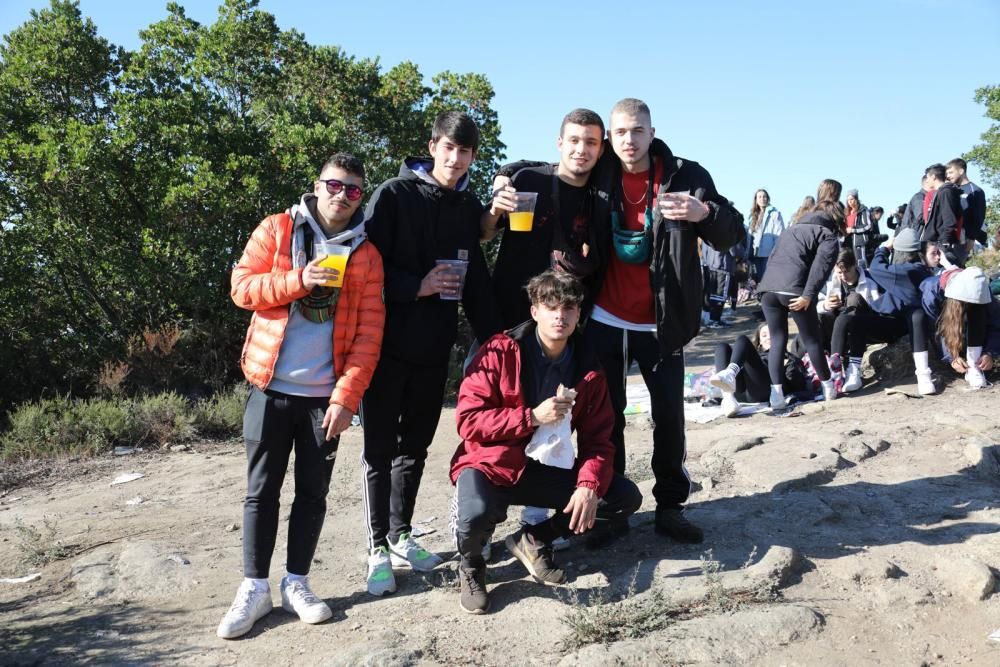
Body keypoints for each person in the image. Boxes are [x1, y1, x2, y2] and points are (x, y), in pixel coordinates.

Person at [219, 153, 385, 639]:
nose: (343, 197)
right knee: (260, 492)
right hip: (269, 387)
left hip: (323, 400)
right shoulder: (276, 229)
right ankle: (254, 588)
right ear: (317, 186)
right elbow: (241, 288)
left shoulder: (366, 254)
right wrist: (299, 280)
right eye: (335, 186)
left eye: (354, 190)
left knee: (313, 495)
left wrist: (346, 399)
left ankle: (296, 583)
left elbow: (369, 335)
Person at [585, 98, 745, 543]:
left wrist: (704, 213)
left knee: (670, 418)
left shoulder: (686, 175)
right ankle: (612, 509)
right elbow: (550, 171)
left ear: (652, 132)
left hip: (663, 322)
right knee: (605, 419)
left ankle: (671, 507)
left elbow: (732, 232)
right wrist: (509, 174)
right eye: (620, 132)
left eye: (637, 131)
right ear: (609, 137)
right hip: (604, 319)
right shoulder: (599, 173)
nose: (629, 140)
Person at [360, 111, 502, 596]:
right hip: (382, 345)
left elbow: (476, 282)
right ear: (433, 146)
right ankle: (376, 547)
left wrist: (498, 339)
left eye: (465, 153)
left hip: (432, 347)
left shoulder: (465, 208)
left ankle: (401, 536)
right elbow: (364, 270)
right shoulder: (392, 195)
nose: (456, 160)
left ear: (472, 157)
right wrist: (415, 286)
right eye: (449, 149)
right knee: (378, 451)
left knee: (414, 448)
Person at [450, 270, 642, 614]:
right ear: (534, 310)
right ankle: (471, 565)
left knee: (621, 498)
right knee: (474, 516)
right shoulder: (499, 351)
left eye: (569, 307)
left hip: (542, 468)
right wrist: (532, 417)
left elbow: (599, 440)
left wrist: (588, 485)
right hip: (490, 465)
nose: (560, 315)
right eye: (550, 306)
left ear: (578, 313)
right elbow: (467, 421)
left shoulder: (588, 366)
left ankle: (535, 539)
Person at [483, 108, 609, 328]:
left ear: (601, 150)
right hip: (510, 317)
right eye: (574, 140)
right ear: (560, 143)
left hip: (565, 325)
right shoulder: (528, 180)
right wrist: (495, 210)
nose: (581, 149)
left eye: (590, 142)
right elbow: (484, 233)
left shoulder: (603, 195)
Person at [756, 182, 844, 408]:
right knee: (812, 340)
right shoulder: (827, 235)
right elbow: (820, 269)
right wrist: (808, 295)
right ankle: (828, 387)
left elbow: (773, 258)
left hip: (768, 289)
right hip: (794, 291)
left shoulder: (791, 229)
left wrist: (765, 288)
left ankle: (776, 396)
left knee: (777, 341)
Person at [867, 228, 935, 393]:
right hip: (924, 319)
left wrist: (885, 248)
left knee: (915, 315)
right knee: (916, 315)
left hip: (903, 321)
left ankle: (923, 377)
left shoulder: (904, 271)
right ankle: (924, 377)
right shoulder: (921, 269)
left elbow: (876, 268)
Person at [815, 248, 882, 390]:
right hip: (837, 326)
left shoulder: (871, 279)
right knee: (818, 318)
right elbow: (816, 307)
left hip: (864, 322)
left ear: (855, 266)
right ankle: (822, 367)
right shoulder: (830, 282)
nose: (843, 276)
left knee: (854, 298)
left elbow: (879, 307)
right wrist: (826, 305)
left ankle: (844, 368)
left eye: (847, 271)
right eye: (839, 272)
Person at [709, 323, 811, 416]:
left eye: (772, 333)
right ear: (760, 341)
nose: (768, 338)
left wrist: (788, 365)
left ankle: (730, 374)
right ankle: (728, 398)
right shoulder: (752, 354)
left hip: (763, 390)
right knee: (722, 347)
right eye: (764, 335)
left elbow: (797, 385)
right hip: (740, 393)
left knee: (743, 339)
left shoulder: (788, 357)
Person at [922, 266, 995, 389]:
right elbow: (934, 328)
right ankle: (960, 360)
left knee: (978, 312)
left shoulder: (981, 289)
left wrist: (990, 352)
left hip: (975, 334)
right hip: (948, 326)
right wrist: (952, 357)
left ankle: (974, 366)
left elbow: (996, 324)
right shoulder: (932, 290)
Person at [921, 163, 966, 263]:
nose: (927, 180)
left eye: (928, 177)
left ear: (933, 177)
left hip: (942, 243)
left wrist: (944, 242)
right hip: (936, 241)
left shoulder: (946, 192)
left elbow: (949, 220)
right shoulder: (940, 192)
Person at [946, 158, 988, 254]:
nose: (948, 176)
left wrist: (971, 238)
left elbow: (979, 217)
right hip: (954, 240)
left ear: (961, 171)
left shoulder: (975, 191)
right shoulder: (950, 191)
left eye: (951, 172)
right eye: (947, 173)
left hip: (969, 241)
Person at [748, 189, 786, 282]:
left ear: (768, 199)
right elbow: (749, 236)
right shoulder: (752, 216)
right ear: (756, 200)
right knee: (755, 280)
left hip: (768, 254)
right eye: (759, 197)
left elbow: (779, 234)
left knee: (766, 280)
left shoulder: (775, 214)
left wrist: (776, 253)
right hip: (754, 254)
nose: (762, 199)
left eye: (764, 196)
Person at [844, 189, 879, 269]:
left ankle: (865, 279)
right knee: (848, 263)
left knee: (860, 263)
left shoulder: (863, 210)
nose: (850, 202)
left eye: (852, 199)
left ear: (856, 199)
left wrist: (853, 229)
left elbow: (868, 226)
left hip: (858, 241)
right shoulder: (846, 212)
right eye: (848, 200)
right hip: (847, 241)